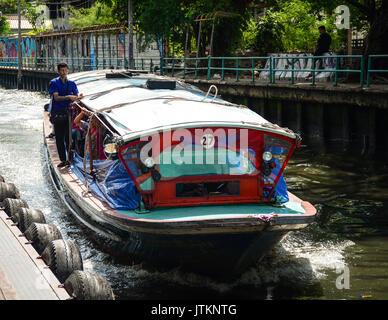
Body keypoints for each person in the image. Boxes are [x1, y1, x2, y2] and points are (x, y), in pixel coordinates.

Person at [49, 62, 83, 167]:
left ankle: (70, 159)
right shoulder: (54, 83)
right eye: (61, 71)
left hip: (69, 114)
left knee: (68, 138)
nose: (63, 72)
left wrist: (78, 97)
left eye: (65, 70)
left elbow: (76, 96)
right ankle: (63, 160)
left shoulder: (72, 83)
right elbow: (56, 98)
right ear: (58, 71)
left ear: (68, 71)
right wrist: (69, 97)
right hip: (58, 114)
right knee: (59, 138)